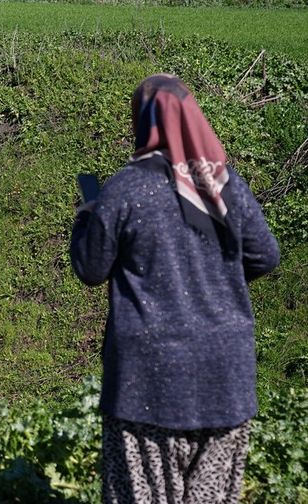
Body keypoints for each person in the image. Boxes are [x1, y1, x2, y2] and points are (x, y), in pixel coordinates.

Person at [70, 74, 280, 504]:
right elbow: (266, 257)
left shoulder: (124, 190)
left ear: (141, 122)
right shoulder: (225, 185)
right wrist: (218, 282)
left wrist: (86, 216)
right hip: (226, 379)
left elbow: (91, 268)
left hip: (146, 386)